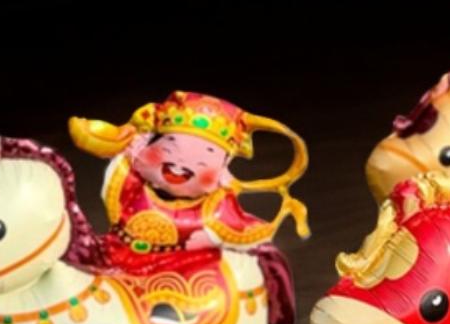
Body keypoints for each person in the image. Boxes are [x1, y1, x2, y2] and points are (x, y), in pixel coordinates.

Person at [69, 90, 309, 260]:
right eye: (170, 143)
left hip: (193, 270)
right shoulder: (128, 188)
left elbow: (245, 232)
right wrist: (129, 143)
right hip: (122, 258)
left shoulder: (217, 210)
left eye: (207, 154)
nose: (181, 162)